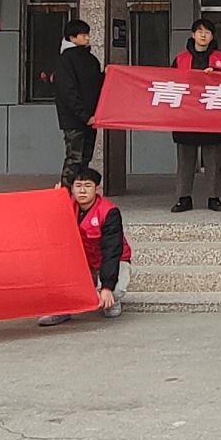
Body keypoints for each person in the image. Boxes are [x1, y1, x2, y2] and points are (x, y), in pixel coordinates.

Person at [40, 167, 129, 326]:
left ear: (97, 189)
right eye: (78, 186)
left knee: (114, 290)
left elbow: (112, 251)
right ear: (72, 189)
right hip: (82, 261)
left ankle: (111, 300)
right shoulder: (65, 206)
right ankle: (63, 309)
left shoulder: (109, 212)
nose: (82, 191)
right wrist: (53, 201)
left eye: (88, 186)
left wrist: (107, 286)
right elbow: (47, 227)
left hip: (111, 260)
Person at [171, 19, 221, 213]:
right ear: (192, 35)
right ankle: (183, 198)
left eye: (207, 32)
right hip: (186, 117)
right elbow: (169, 83)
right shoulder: (180, 59)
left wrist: (218, 76)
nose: (203, 35)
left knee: (213, 161)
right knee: (185, 161)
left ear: (212, 36)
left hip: (213, 117)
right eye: (200, 31)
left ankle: (214, 197)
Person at [53, 19, 105, 189]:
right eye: (83, 35)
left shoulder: (91, 59)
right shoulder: (65, 60)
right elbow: (68, 92)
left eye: (87, 34)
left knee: (85, 160)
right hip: (75, 120)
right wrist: (84, 115)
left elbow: (97, 84)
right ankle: (65, 196)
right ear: (72, 37)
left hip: (90, 118)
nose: (87, 37)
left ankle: (78, 195)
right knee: (74, 159)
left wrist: (107, 75)